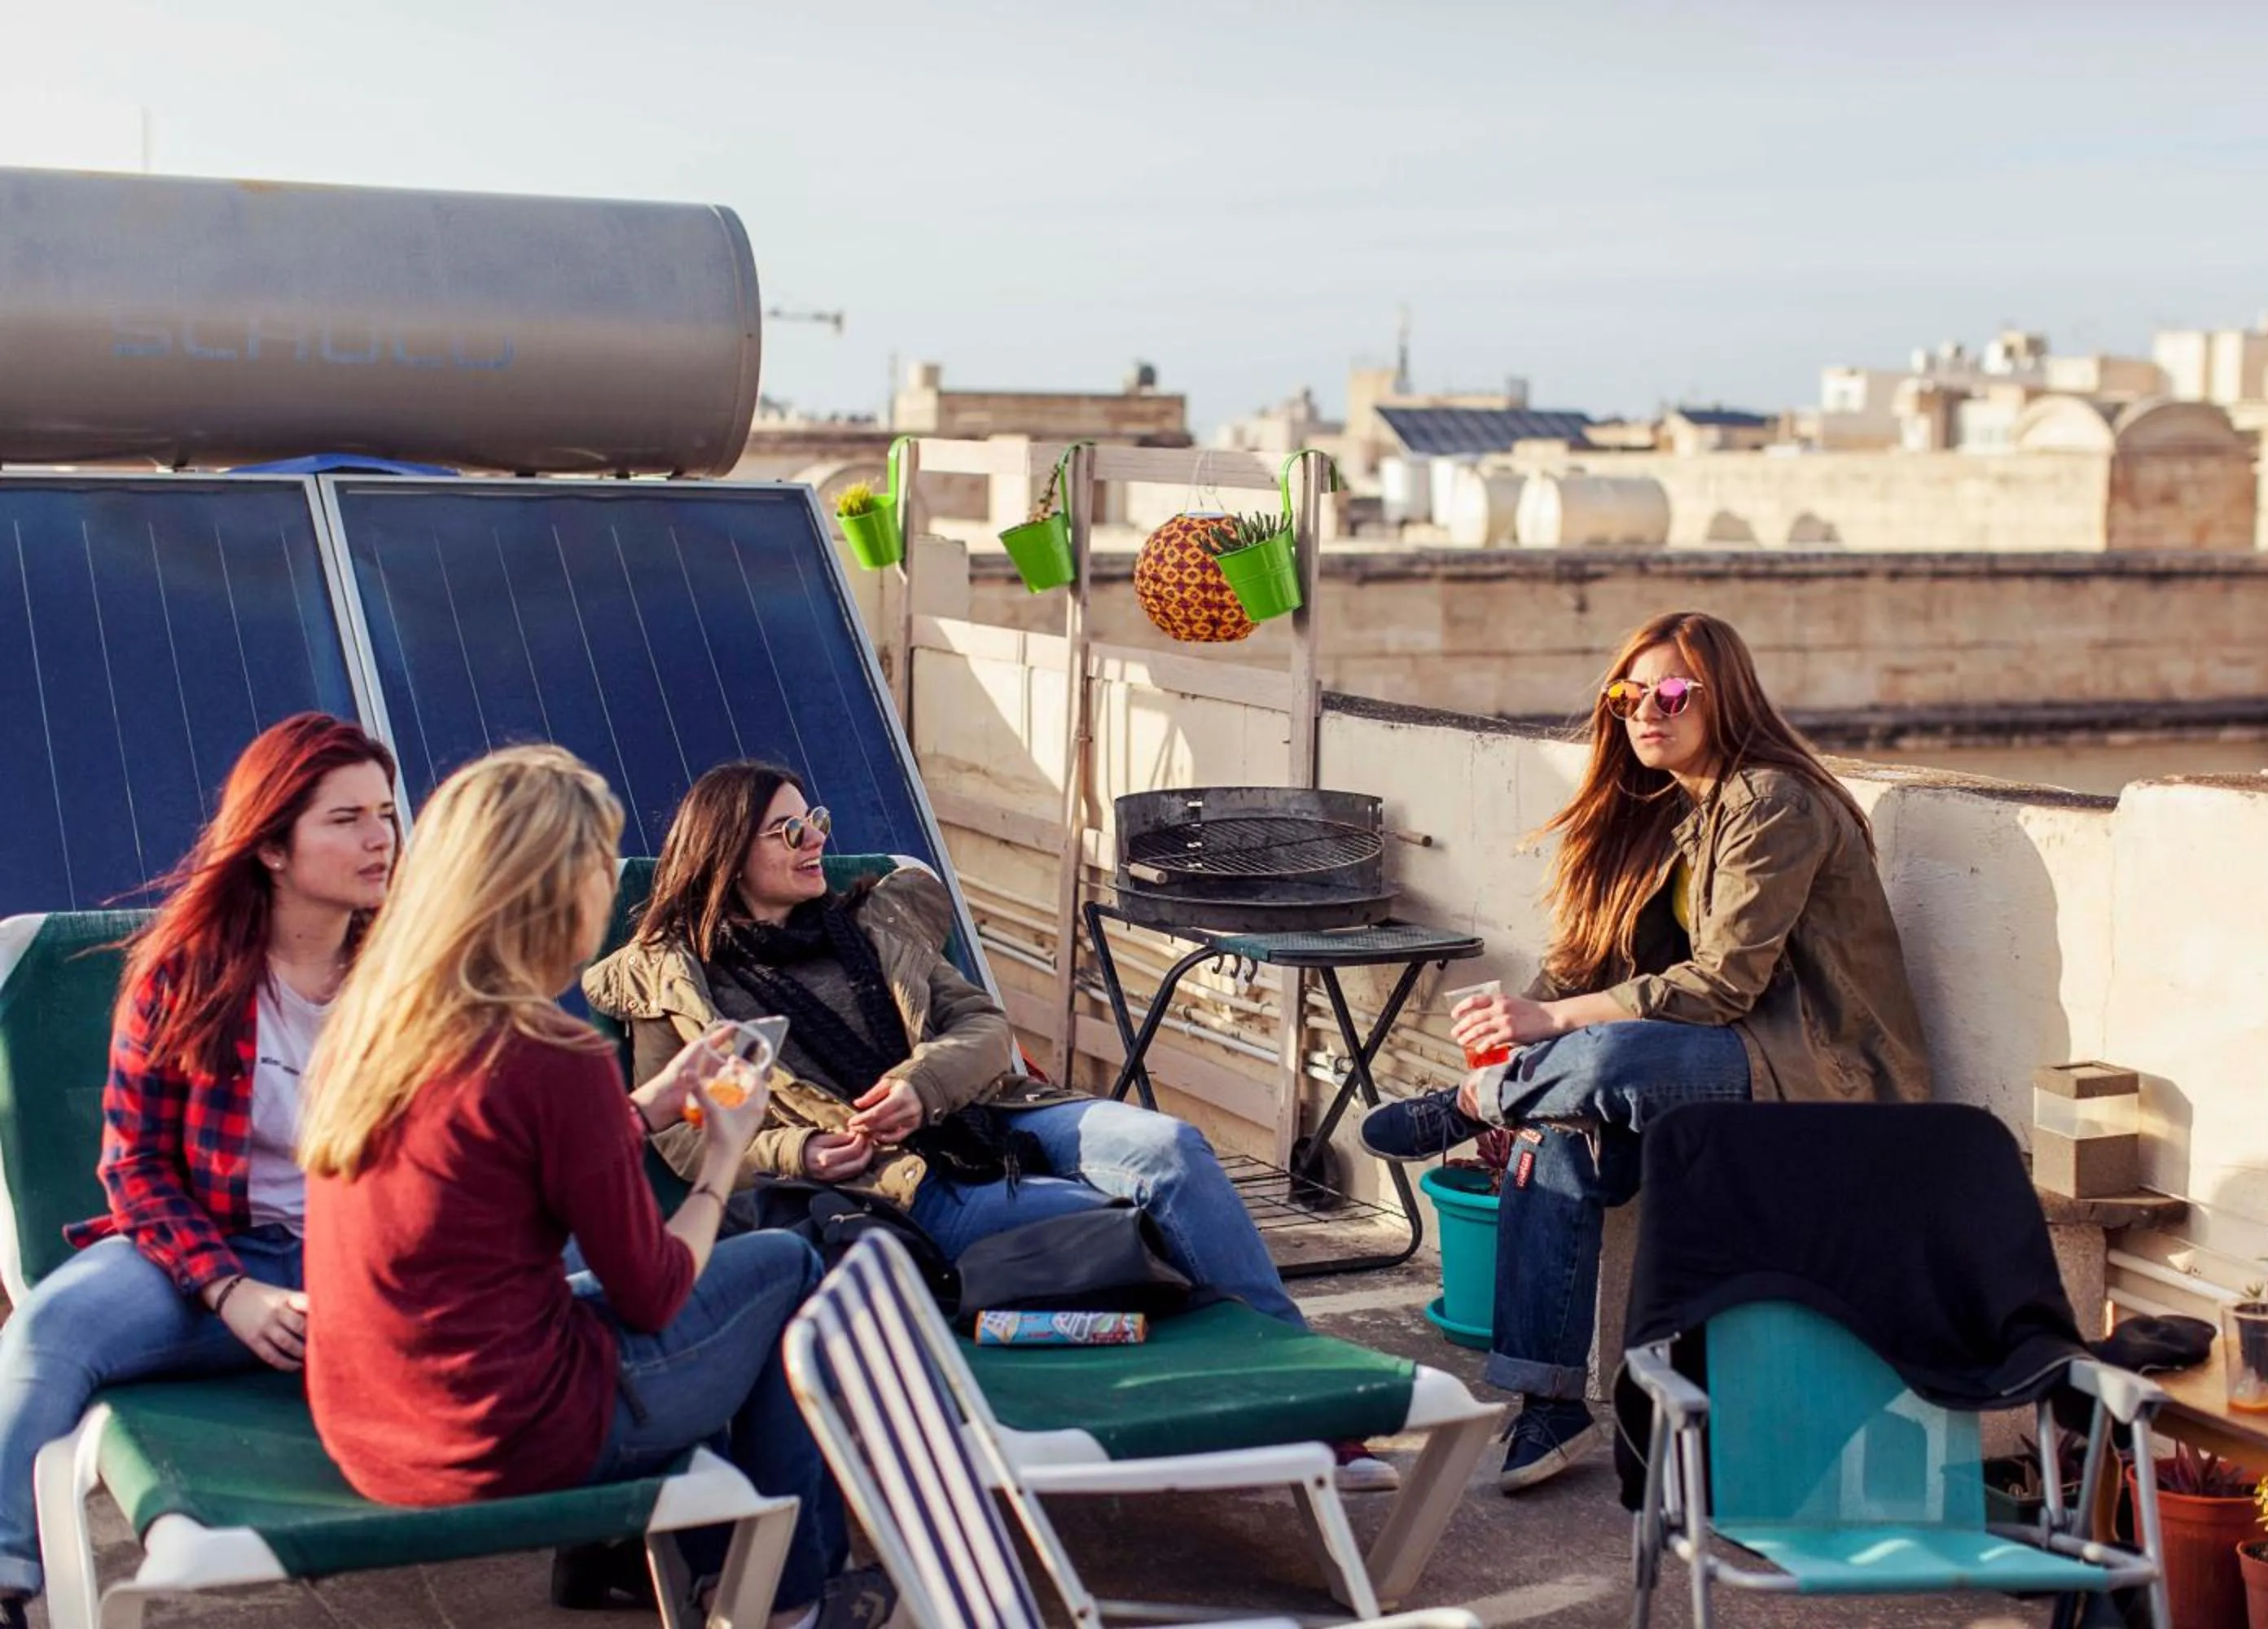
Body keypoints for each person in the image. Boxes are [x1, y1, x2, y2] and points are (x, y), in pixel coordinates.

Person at [583, 760, 1399, 1494]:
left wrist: (921, 1083)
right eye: (791, 829)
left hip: (993, 1114)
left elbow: (981, 1025)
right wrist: (801, 1148)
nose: (816, 842)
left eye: (818, 820)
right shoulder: (680, 981)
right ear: (728, 849)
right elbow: (687, 1137)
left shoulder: (871, 924)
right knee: (1106, 1226)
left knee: (1172, 1150)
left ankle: (1312, 1399)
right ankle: (1210, 1391)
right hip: (895, 1182)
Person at [297, 745, 889, 1629]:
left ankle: (721, 1572)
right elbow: (652, 1291)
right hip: (503, 1437)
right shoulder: (547, 1053)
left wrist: (651, 1105)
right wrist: (725, 1149)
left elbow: (493, 1157)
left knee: (685, 1296)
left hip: (372, 1426)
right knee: (783, 1267)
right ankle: (789, 1601)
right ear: (555, 890)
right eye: (596, 868)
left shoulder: (382, 1020)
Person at [1363, 610, 1932, 1492]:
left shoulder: (1773, 801)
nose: (1645, 712)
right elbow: (1581, 960)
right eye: (1628, 694)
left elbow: (1721, 989)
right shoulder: (1667, 812)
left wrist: (1534, 1041)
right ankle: (1549, 1406)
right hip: (1721, 1067)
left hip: (1820, 1075)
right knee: (1557, 1134)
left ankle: (1468, 1108)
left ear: (1726, 697)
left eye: (1670, 693)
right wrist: (1522, 1026)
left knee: (1603, 1061)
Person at [0, 714, 397, 1627]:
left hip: (373, 1260)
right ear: (270, 844)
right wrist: (227, 1288)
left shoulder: (412, 968)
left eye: (384, 812)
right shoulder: (188, 974)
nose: (379, 836)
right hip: (215, 1257)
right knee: (52, 1326)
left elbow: (503, 1133)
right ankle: (6, 1572)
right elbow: (132, 1165)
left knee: (582, 1285)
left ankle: (616, 1532)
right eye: (345, 818)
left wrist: (651, 1109)